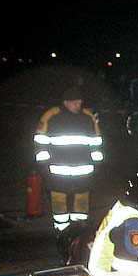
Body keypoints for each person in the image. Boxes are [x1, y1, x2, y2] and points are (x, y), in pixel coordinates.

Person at [33, 86, 103, 240]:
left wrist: (96, 163)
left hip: (83, 170)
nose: (78, 106)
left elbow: (96, 140)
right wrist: (44, 166)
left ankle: (79, 231)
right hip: (58, 170)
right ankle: (62, 231)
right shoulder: (52, 116)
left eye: (79, 103)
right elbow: (40, 141)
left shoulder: (88, 116)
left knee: (82, 201)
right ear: (66, 102)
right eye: (74, 103)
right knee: (58, 201)